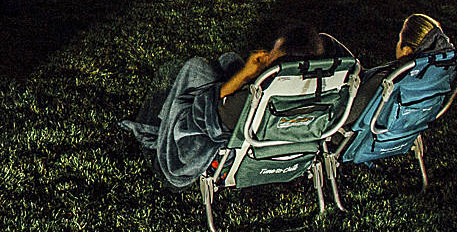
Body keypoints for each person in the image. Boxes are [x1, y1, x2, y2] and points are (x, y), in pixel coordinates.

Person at [121, 23, 327, 186]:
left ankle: (164, 131)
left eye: (274, 50)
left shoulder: (260, 98)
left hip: (237, 150)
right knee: (229, 60)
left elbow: (209, 110)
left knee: (195, 68)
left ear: (281, 55)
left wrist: (246, 74)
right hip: (291, 152)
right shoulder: (324, 90)